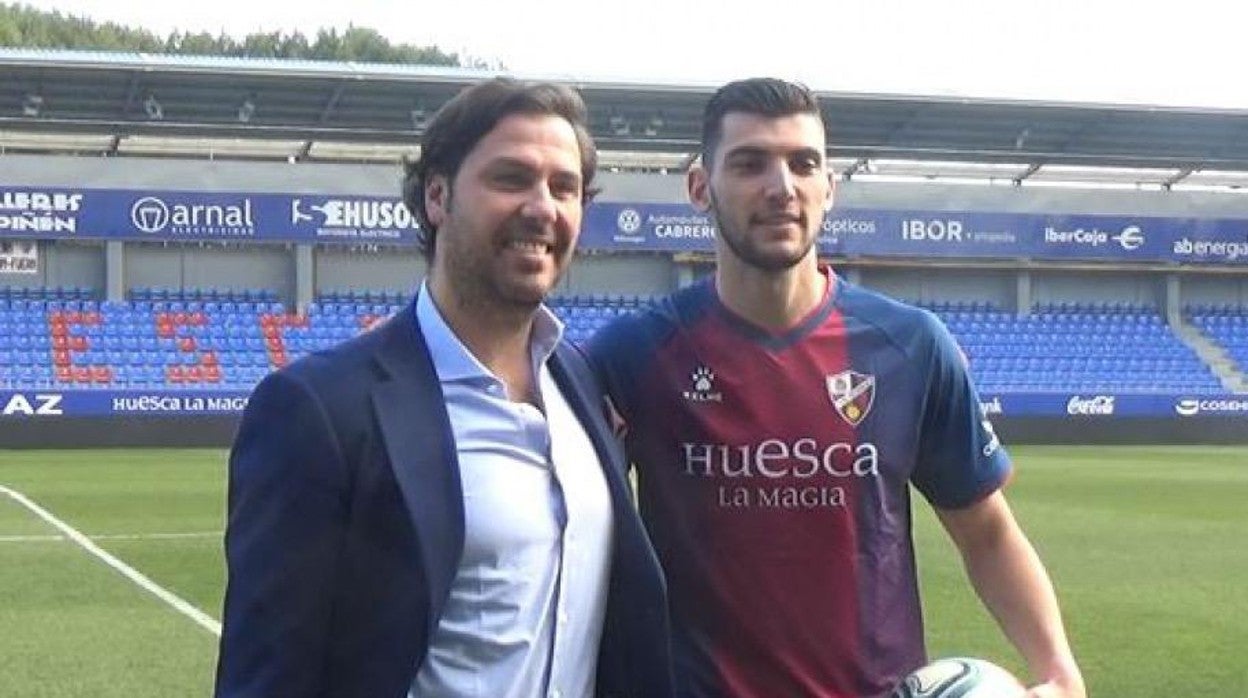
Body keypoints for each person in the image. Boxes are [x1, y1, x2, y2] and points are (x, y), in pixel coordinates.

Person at [586, 78, 1084, 698]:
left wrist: (1061, 674)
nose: (781, 187)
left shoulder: (910, 346)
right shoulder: (633, 354)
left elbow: (987, 533)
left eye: (804, 164)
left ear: (829, 190)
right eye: (749, 164)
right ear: (699, 188)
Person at [215, 78, 674, 698]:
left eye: (564, 187)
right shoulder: (319, 409)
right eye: (511, 178)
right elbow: (266, 676)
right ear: (438, 195)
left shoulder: (582, 384)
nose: (543, 207)